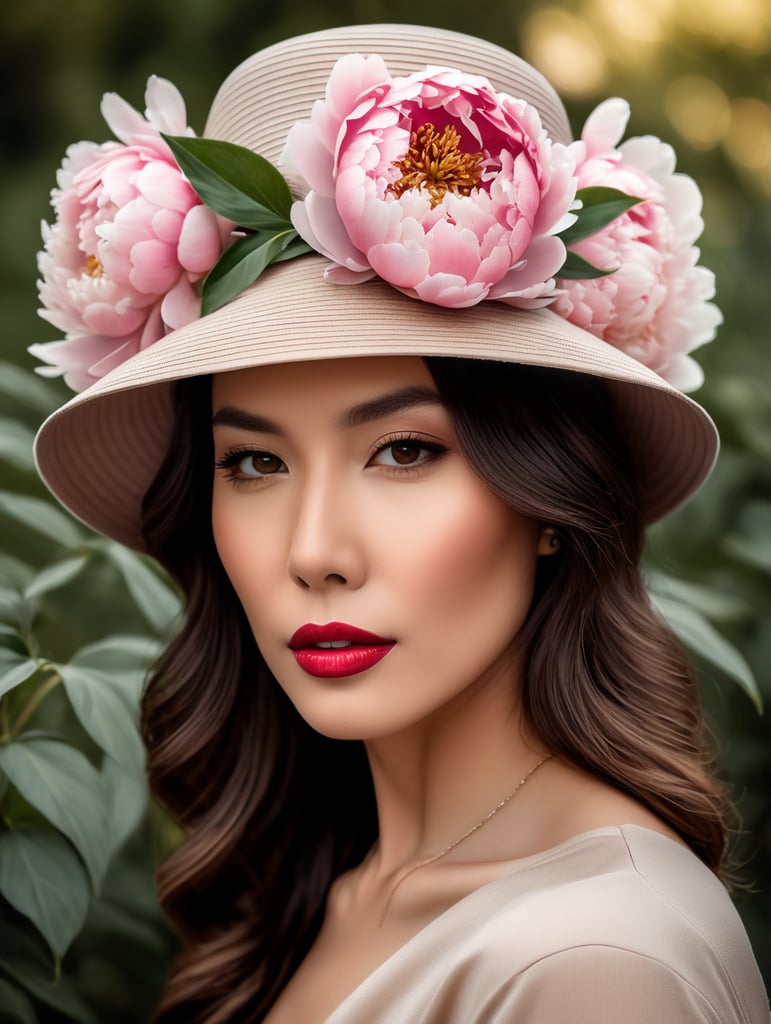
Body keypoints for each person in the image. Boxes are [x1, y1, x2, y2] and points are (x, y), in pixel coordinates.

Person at [31, 23, 769, 1024]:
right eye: (254, 462)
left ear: (550, 499)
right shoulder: (314, 893)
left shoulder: (593, 966)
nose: (314, 553)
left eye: (405, 451)